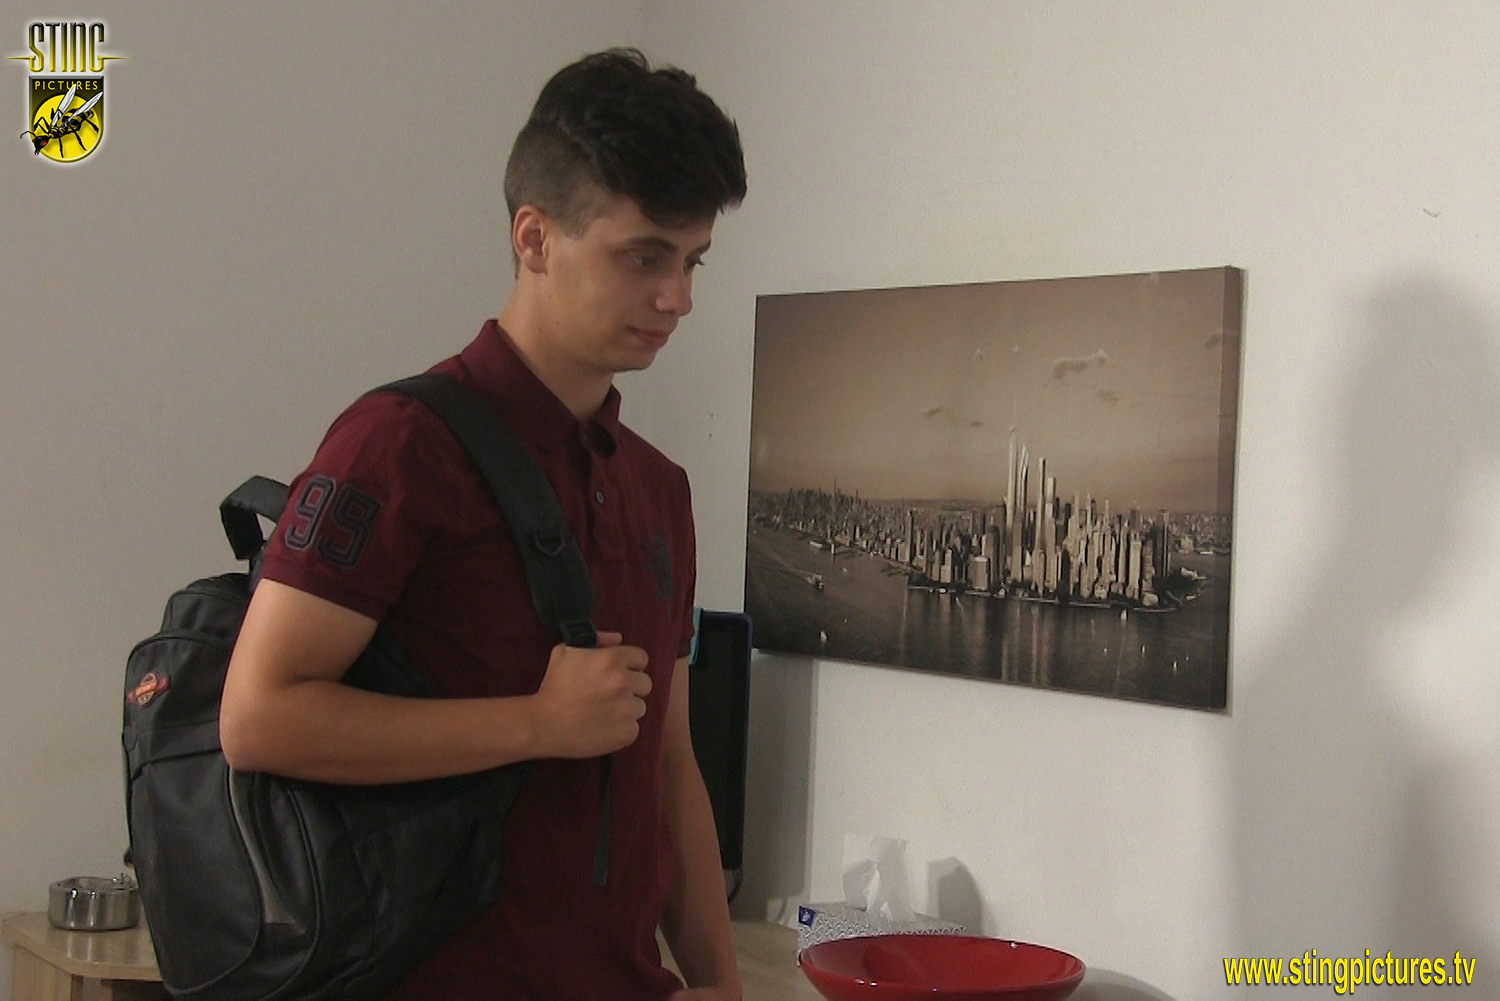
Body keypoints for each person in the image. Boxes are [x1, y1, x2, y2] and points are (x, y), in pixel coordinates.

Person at [218, 48, 747, 1001]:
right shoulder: (397, 444)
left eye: (691, 260)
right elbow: (258, 717)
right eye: (644, 257)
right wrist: (534, 722)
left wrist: (722, 984)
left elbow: (669, 764)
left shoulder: (658, 489)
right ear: (535, 238)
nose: (679, 297)